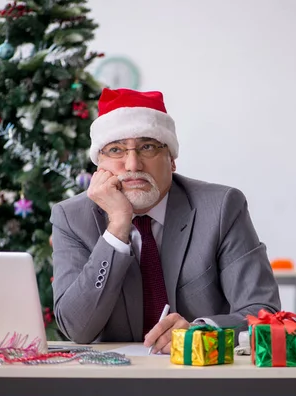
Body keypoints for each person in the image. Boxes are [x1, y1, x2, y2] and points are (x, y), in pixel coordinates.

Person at [51, 88, 280, 354]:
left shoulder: (221, 207)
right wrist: (117, 228)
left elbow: (264, 313)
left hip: (200, 377)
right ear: (98, 165)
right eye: (116, 150)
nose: (132, 164)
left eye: (147, 147)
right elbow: (77, 329)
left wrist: (200, 331)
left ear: (171, 160)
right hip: (112, 382)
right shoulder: (72, 217)